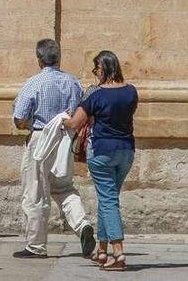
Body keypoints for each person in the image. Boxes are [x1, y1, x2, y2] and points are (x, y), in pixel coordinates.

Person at [12, 39, 95, 259]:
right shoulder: (73, 82)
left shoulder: (33, 83)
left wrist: (27, 124)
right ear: (59, 58)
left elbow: (19, 117)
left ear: (39, 59)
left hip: (40, 138)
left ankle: (36, 246)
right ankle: (83, 224)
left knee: (36, 190)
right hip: (64, 138)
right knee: (64, 187)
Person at [64, 51, 136, 271]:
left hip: (102, 151)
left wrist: (63, 119)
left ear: (102, 68)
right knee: (109, 198)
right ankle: (102, 251)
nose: (95, 73)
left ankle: (118, 253)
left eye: (96, 69)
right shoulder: (131, 92)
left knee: (108, 200)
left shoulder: (94, 93)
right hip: (126, 151)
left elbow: (76, 123)